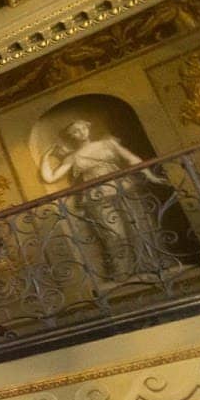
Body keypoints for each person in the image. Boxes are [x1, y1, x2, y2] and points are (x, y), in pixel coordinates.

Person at [37, 119, 177, 282]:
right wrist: (46, 157)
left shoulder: (108, 144)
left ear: (88, 128)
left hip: (123, 188)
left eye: (82, 127)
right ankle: (124, 273)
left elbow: (133, 159)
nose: (81, 132)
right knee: (113, 233)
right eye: (75, 131)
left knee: (139, 224)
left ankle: (152, 264)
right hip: (97, 196)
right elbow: (50, 177)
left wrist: (151, 176)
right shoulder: (73, 157)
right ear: (71, 137)